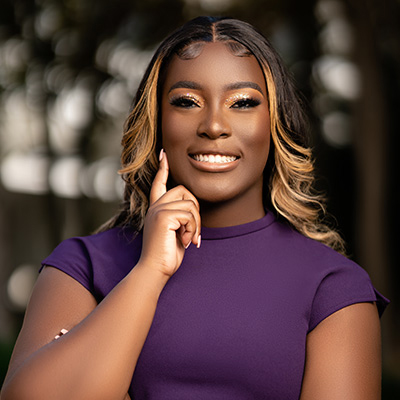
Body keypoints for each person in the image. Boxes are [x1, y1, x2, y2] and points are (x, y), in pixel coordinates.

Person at [2, 16, 389, 400]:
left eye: (242, 103)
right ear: (157, 121)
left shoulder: (333, 287)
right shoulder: (82, 267)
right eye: (187, 102)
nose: (214, 125)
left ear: (274, 124)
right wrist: (149, 272)